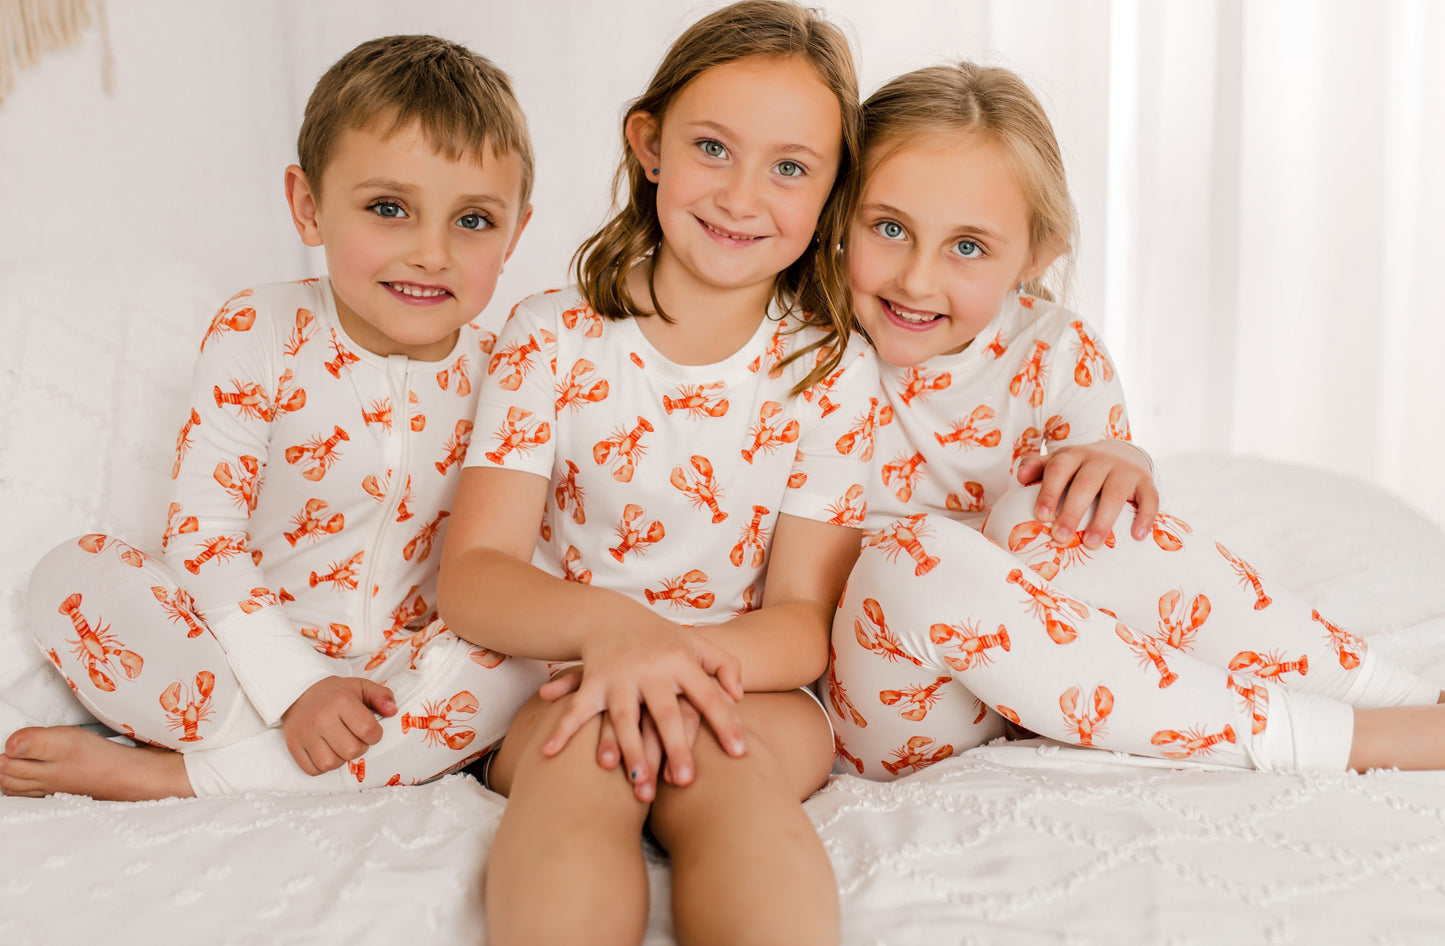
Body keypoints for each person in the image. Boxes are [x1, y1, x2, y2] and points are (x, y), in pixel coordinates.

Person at [826, 61, 1444, 782]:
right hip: (899, 699)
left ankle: (1401, 700)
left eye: (967, 247)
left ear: (1035, 256)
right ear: (839, 215)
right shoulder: (805, 348)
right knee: (905, 556)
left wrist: (1122, 460)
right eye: (889, 228)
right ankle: (1324, 740)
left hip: (1053, 672)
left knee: (1051, 506)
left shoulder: (1053, 348)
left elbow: (1110, 529)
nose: (916, 278)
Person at [0, 34, 545, 800]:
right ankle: (305, 757)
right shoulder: (258, 330)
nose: (431, 252)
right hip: (237, 656)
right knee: (69, 577)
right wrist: (293, 688)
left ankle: (183, 780)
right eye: (389, 208)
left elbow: (518, 555)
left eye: (474, 221)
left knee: (526, 658)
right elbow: (204, 534)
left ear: (516, 232)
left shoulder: (512, 371)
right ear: (307, 205)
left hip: (402, 678)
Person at [434, 3, 873, 943]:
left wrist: (682, 663)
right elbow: (472, 575)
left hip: (745, 684)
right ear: (650, 144)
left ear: (831, 190)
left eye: (790, 167)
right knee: (574, 772)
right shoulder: (550, 337)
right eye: (712, 147)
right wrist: (617, 637)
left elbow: (803, 621)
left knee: (734, 781)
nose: (742, 195)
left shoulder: (830, 373)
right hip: (571, 673)